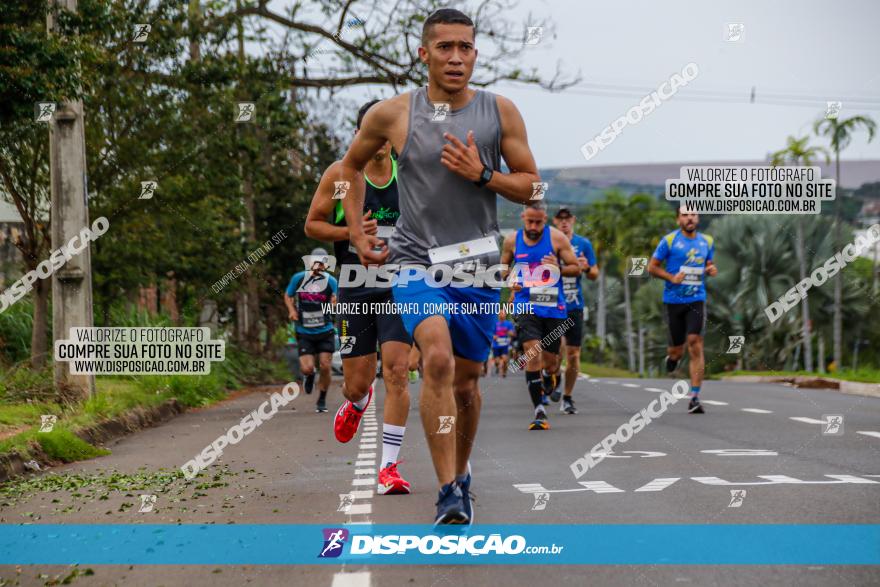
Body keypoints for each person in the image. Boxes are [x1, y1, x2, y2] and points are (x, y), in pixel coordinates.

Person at [338, 8, 543, 524]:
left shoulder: (501, 112)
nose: (456, 57)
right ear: (423, 53)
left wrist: (484, 175)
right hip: (415, 263)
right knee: (435, 360)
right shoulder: (391, 114)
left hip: (475, 268)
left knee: (469, 384)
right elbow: (349, 167)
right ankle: (449, 490)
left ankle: (461, 467)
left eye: (466, 48)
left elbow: (533, 186)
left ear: (475, 54)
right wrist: (358, 228)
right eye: (445, 47)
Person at [303, 100, 413, 494]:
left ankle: (389, 469)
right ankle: (356, 403)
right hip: (355, 287)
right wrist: (351, 233)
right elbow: (312, 225)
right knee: (357, 384)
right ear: (360, 136)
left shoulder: (410, 172)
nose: (380, 142)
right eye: (373, 133)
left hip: (400, 286)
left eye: (387, 134)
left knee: (399, 372)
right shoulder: (340, 175)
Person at [501, 202, 580, 430]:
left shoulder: (557, 239)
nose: (534, 226)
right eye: (530, 221)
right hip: (526, 305)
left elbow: (575, 267)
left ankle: (551, 376)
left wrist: (559, 267)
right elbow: (502, 268)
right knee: (532, 353)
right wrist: (509, 279)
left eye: (539, 222)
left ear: (545, 219)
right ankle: (539, 411)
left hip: (553, 307)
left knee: (551, 362)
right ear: (523, 217)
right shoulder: (511, 241)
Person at [647, 204, 717, 414]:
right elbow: (652, 267)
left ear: (698, 218)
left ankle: (694, 396)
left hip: (696, 299)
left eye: (693, 214)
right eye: (685, 215)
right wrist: (671, 277)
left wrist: (711, 269)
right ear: (678, 219)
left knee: (695, 343)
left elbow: (709, 264)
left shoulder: (708, 241)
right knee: (677, 350)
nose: (690, 218)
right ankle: (673, 359)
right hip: (674, 301)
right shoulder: (669, 241)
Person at [552, 207, 597, 414]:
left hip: (574, 305)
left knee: (573, 353)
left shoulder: (583, 244)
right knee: (555, 355)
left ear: (573, 220)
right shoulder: (549, 242)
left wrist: (587, 267)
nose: (564, 222)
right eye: (560, 219)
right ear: (554, 221)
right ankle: (553, 378)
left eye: (567, 219)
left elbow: (594, 274)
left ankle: (568, 397)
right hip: (552, 304)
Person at [284, 249, 338, 412]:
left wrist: (334, 303)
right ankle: (309, 375)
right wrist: (292, 310)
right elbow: (288, 295)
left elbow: (337, 298)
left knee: (326, 366)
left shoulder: (331, 281)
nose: (318, 266)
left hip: (325, 330)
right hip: (304, 330)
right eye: (315, 262)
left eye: (321, 263)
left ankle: (321, 398)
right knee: (306, 368)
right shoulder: (299, 278)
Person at [491, 308, 515, 377]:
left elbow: (513, 334)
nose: (501, 315)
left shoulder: (508, 324)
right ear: (498, 315)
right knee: (497, 361)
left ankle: (504, 372)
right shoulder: (495, 323)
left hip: (505, 344)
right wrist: (494, 336)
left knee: (505, 360)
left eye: (503, 313)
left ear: (505, 314)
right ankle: (497, 365)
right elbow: (491, 333)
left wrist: (508, 332)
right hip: (496, 345)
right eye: (500, 313)